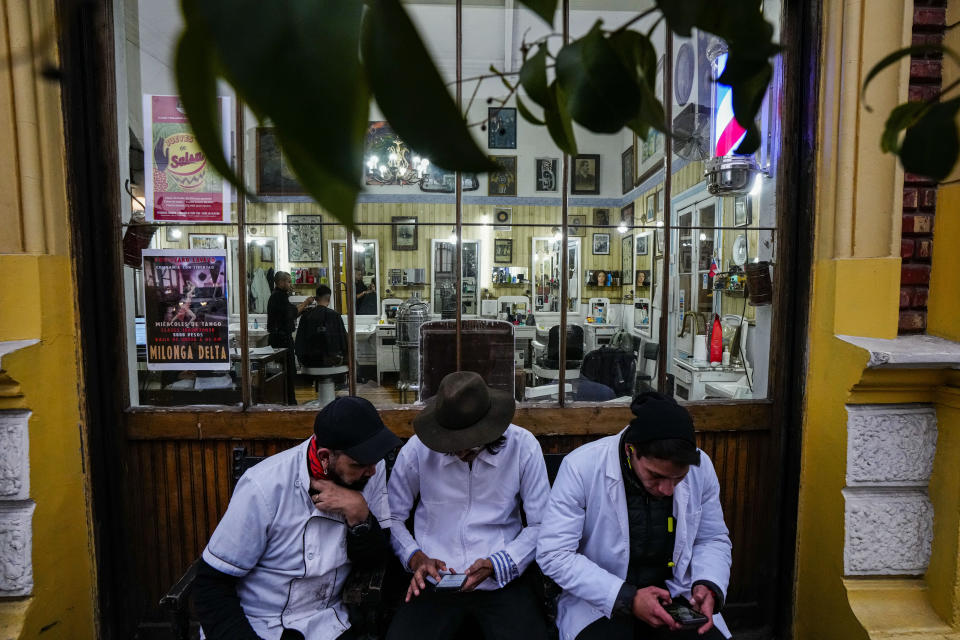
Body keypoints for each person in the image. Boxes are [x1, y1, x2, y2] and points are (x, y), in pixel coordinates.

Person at [193, 397, 402, 640]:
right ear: (325, 457)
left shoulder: (369, 473)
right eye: (359, 464)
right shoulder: (262, 487)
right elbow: (210, 587)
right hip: (259, 623)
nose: (372, 470)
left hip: (328, 622)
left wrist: (360, 513)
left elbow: (375, 559)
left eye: (374, 461)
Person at [537, 392, 732, 640]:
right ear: (632, 451)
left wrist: (708, 583)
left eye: (678, 479)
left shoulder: (700, 467)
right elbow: (554, 553)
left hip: (676, 597)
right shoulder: (581, 467)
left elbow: (711, 538)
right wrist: (627, 598)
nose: (667, 490)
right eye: (656, 476)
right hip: (602, 599)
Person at [386, 371, 551, 640]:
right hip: (435, 580)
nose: (460, 452)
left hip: (501, 579)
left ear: (491, 428)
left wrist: (498, 564)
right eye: (451, 445)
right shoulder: (418, 450)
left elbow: (541, 523)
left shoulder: (523, 447)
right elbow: (391, 517)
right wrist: (415, 557)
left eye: (469, 445)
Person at [267, 271, 314, 404]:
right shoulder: (278, 297)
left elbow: (291, 314)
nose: (290, 284)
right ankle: (289, 401)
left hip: (281, 338)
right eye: (288, 281)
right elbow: (292, 313)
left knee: (288, 371)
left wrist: (303, 310)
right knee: (287, 372)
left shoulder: (280, 297)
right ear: (281, 282)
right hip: (281, 340)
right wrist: (305, 303)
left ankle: (288, 400)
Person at [295, 284, 347, 368]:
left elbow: (299, 343)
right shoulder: (335, 315)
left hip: (308, 361)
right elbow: (343, 342)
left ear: (316, 298)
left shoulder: (306, 316)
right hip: (331, 360)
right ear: (329, 299)